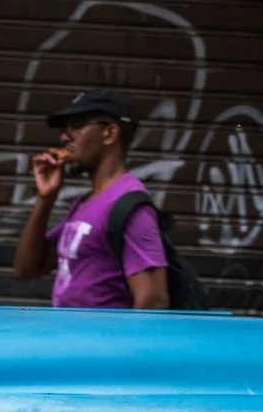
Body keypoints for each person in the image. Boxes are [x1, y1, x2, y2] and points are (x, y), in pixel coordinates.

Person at [10, 88, 170, 310]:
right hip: (72, 341)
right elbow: (27, 268)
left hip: (98, 344)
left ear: (109, 133)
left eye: (76, 125)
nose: (65, 137)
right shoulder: (87, 202)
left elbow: (154, 301)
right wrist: (45, 198)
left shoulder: (130, 207)